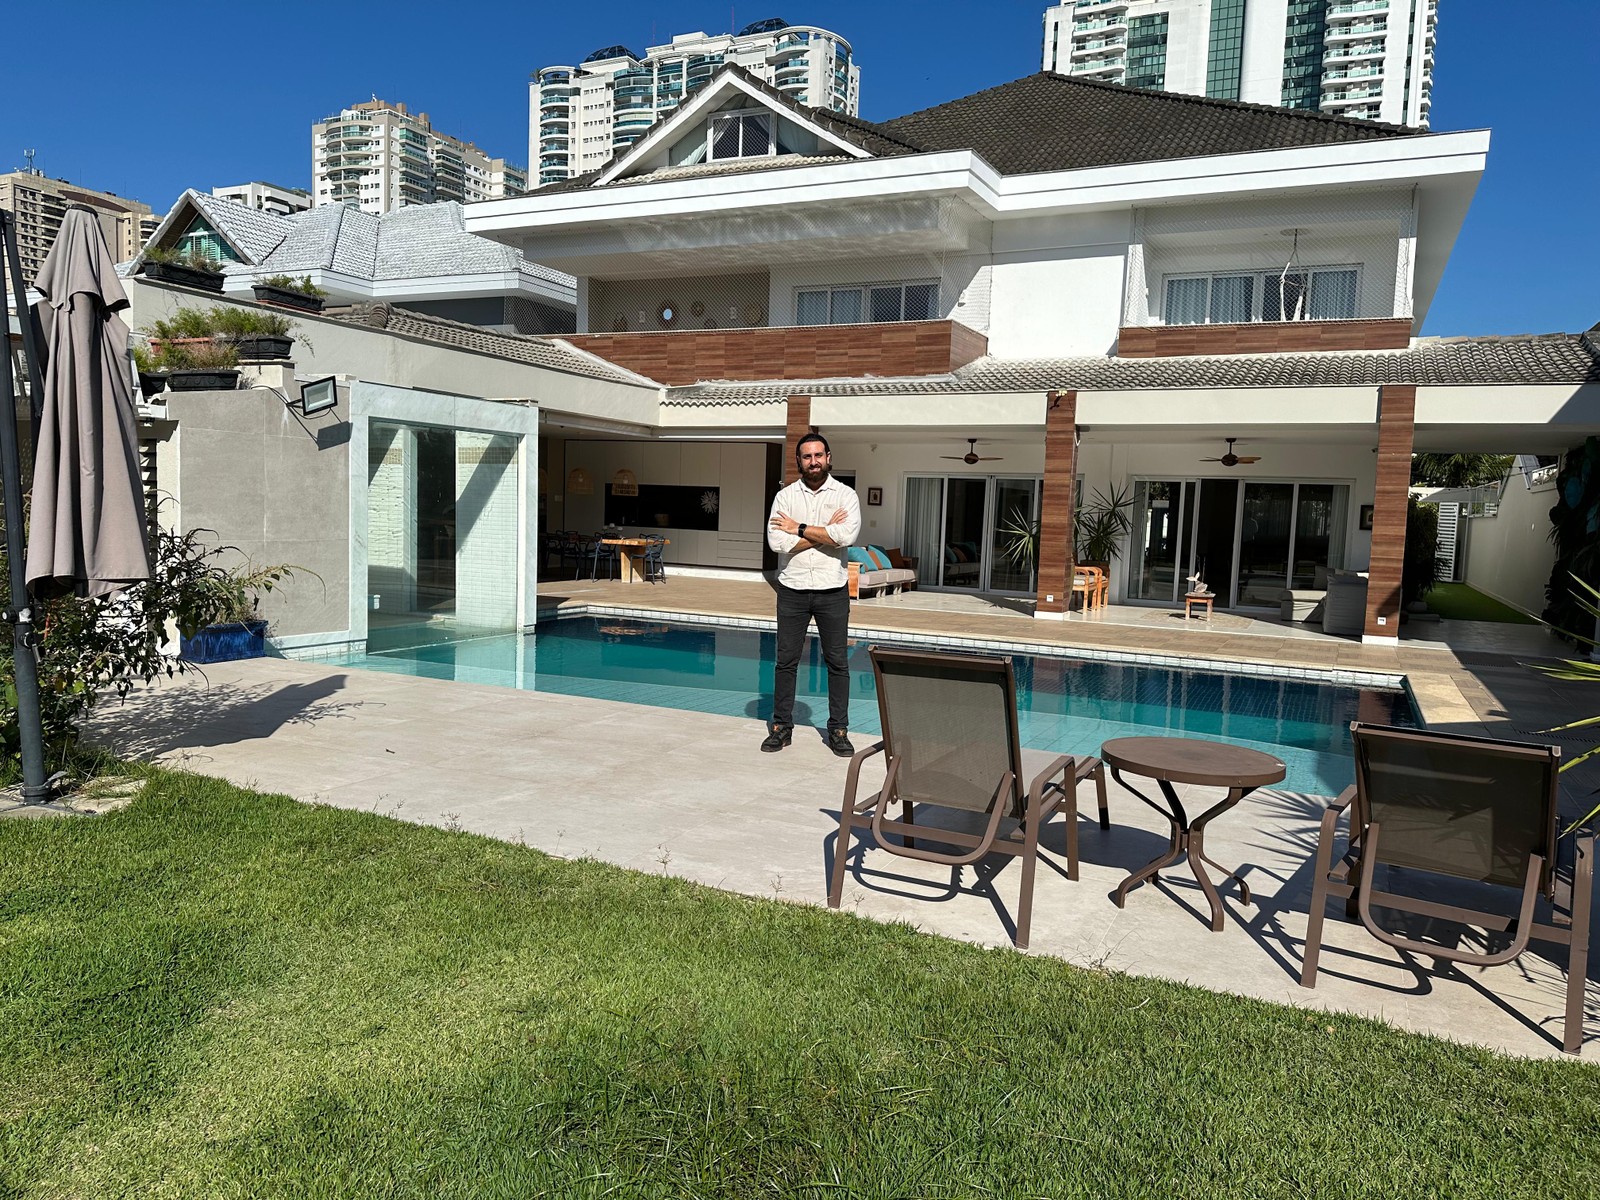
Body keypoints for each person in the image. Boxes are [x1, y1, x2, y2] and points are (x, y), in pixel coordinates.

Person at [763, 431, 862, 756]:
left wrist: (800, 528)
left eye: (818, 455)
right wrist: (824, 532)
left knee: (838, 663)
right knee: (785, 662)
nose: (813, 461)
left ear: (828, 458)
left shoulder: (845, 495)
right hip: (792, 590)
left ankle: (838, 731)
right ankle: (781, 728)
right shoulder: (785, 497)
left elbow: (846, 536)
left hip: (832, 590)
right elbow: (778, 543)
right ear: (799, 461)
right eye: (807, 456)